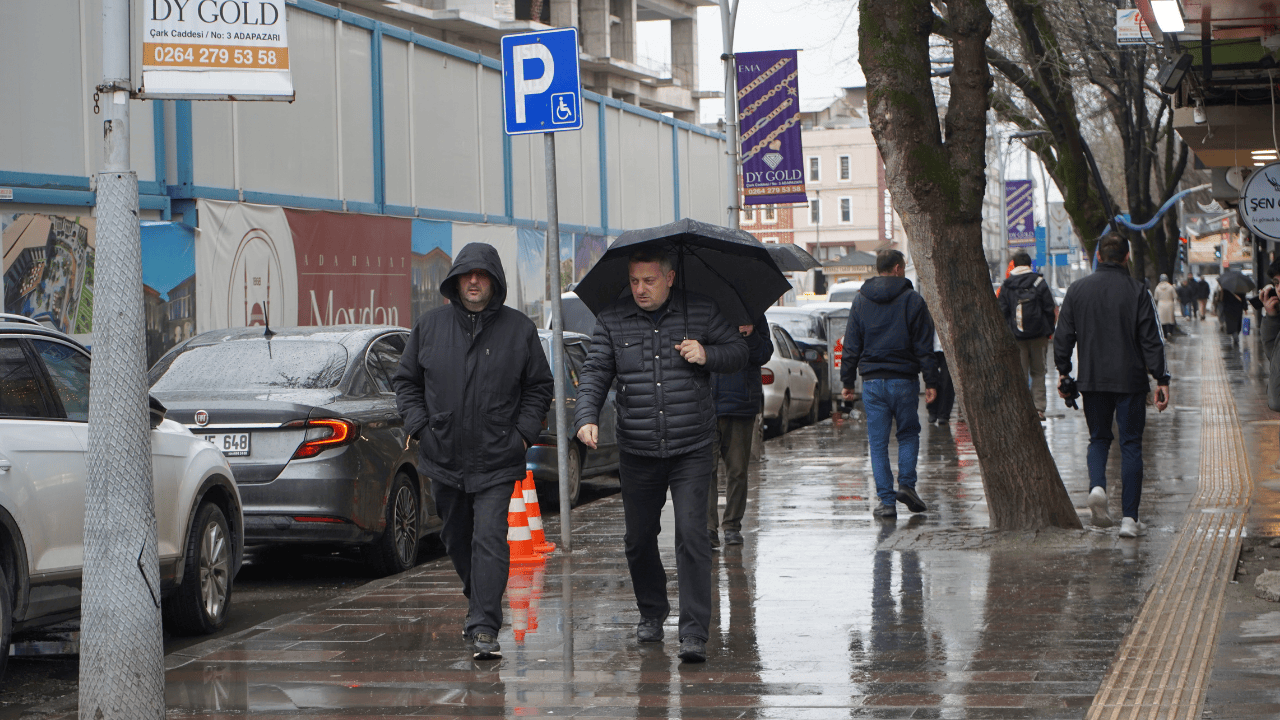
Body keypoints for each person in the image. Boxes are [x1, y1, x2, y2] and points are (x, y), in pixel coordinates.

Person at [574, 248, 747, 664]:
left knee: (692, 536)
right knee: (638, 539)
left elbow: (739, 353)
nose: (640, 289)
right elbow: (596, 371)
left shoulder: (701, 311)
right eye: (634, 281)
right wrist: (586, 416)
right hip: (638, 448)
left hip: (692, 446)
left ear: (669, 278)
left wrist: (707, 353)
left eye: (648, 281)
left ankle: (693, 632)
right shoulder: (613, 320)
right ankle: (652, 612)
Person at [391, 243, 554, 661]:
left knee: (489, 539)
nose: (475, 281)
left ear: (494, 280)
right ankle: (479, 599)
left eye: (482, 275)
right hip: (443, 454)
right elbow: (406, 382)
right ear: (456, 281)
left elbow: (539, 386)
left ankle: (485, 626)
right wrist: (420, 429)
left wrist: (521, 435)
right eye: (468, 275)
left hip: (498, 456)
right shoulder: (429, 328)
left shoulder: (519, 330)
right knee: (456, 537)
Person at [1053, 233, 1170, 539]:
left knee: (1099, 439)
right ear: (1127, 257)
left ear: (1098, 256)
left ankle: (1096, 487)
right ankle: (1130, 519)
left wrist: (1064, 373)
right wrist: (1161, 379)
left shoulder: (1077, 291)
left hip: (1092, 381)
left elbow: (1063, 336)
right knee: (1131, 444)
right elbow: (1152, 339)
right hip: (1130, 381)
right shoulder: (1137, 291)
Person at [840, 248, 939, 519]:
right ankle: (906, 484)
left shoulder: (861, 301)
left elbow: (851, 345)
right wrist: (931, 380)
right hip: (904, 380)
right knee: (907, 434)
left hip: (872, 382)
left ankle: (886, 502)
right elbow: (924, 347)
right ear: (897, 268)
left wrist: (847, 381)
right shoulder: (913, 301)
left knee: (878, 442)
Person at [708, 315, 773, 548]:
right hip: (707, 403)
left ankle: (732, 526)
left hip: (740, 404)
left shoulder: (752, 313)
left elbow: (764, 353)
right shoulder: (705, 310)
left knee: (737, 470)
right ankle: (708, 529)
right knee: (707, 471)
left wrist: (751, 334)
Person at [998, 250, 1057, 421]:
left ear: (1014, 265)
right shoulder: (1040, 282)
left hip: (1016, 338)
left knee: (1020, 373)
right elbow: (1049, 308)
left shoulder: (1007, 285)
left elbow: (1002, 312)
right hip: (1039, 336)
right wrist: (1048, 331)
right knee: (1039, 371)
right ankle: (1039, 408)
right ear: (1030, 265)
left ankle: (1022, 409)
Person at [925, 330, 955, 425]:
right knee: (931, 377)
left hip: (948, 346)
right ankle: (932, 410)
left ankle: (944, 413)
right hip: (932, 346)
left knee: (947, 380)